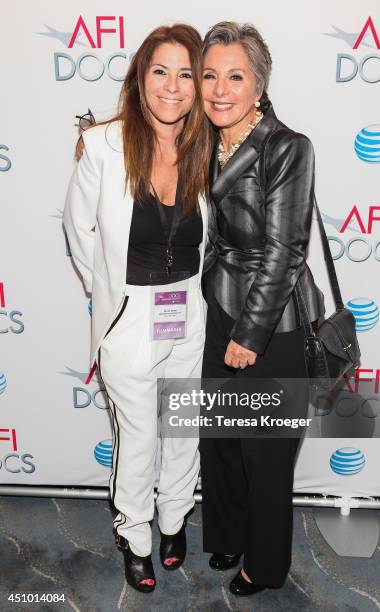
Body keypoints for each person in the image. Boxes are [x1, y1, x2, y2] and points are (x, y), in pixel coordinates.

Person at [63, 24, 212, 593]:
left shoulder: (207, 146)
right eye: (160, 71)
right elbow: (80, 230)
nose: (172, 87)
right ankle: (136, 533)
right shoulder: (104, 143)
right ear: (140, 77)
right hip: (130, 315)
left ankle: (174, 520)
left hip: (189, 308)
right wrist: (107, 295)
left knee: (182, 428)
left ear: (197, 85)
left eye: (184, 74)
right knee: (140, 435)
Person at [199, 22, 325, 596]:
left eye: (235, 76)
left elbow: (283, 252)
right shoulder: (207, 136)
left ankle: (265, 565)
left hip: (270, 324)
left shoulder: (287, 146)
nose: (219, 89)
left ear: (258, 84)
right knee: (221, 440)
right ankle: (226, 534)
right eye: (209, 75)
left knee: (266, 455)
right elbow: (147, 124)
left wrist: (249, 334)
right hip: (220, 306)